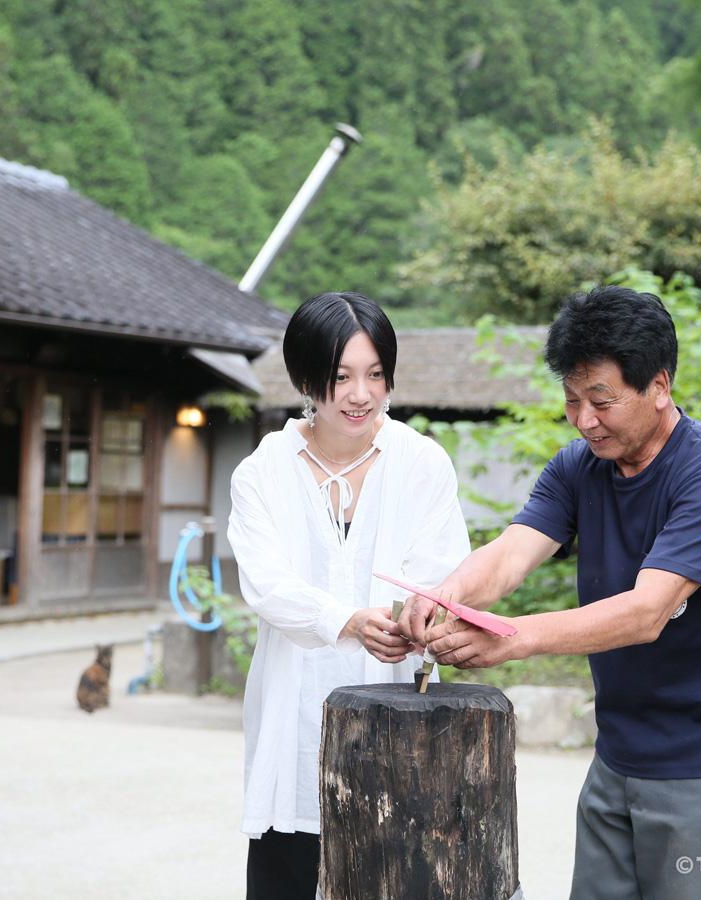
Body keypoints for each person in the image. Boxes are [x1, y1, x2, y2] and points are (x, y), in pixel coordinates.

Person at [405, 285, 701, 900]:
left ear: (660, 387)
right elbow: (511, 554)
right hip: (619, 755)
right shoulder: (579, 464)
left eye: (602, 401)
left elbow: (647, 612)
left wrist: (511, 638)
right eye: (572, 401)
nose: (585, 419)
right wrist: (446, 593)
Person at [227, 291, 470, 900]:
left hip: (397, 726)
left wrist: (414, 620)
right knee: (285, 876)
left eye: (375, 375)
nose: (360, 394)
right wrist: (347, 620)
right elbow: (267, 584)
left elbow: (444, 572)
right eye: (340, 377)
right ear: (306, 378)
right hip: (294, 722)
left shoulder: (421, 463)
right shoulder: (263, 470)